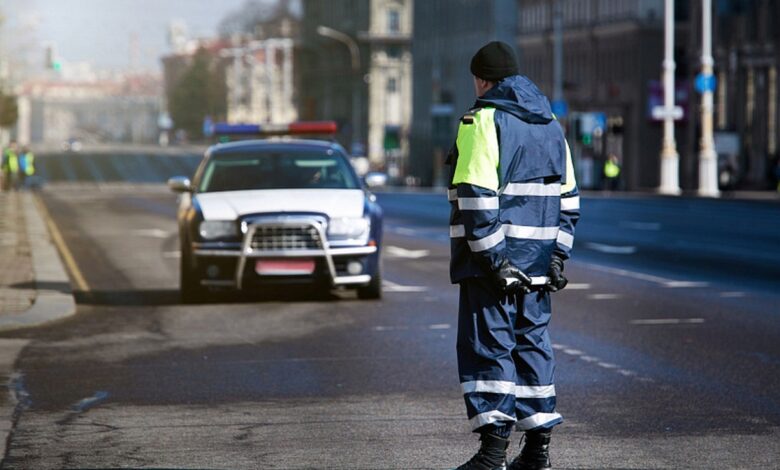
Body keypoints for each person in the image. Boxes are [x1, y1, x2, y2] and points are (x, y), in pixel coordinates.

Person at [447, 41, 580, 470]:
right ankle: (537, 453)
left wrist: (493, 260)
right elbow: (569, 200)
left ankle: (492, 456)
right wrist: (557, 257)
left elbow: (476, 198)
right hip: (539, 266)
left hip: (494, 266)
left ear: (482, 80)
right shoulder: (551, 124)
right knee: (533, 348)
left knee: (489, 349)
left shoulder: (482, 120)